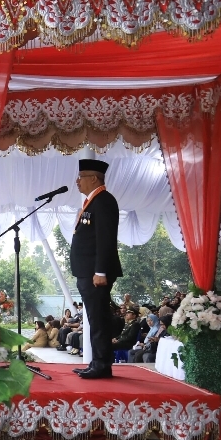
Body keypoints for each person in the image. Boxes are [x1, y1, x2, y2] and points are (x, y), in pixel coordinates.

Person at [69, 159, 122, 379]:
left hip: (95, 273)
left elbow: (105, 239)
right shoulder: (93, 201)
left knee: (98, 318)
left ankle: (101, 364)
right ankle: (97, 362)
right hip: (87, 271)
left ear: (93, 178)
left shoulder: (103, 201)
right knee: (94, 318)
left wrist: (100, 271)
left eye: (81, 177)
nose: (77, 181)